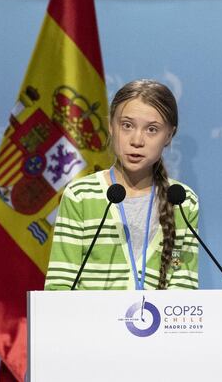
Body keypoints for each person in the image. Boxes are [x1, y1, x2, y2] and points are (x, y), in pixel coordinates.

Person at [45, 79, 199, 290]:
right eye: (127, 125)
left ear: (169, 135)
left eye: (152, 129)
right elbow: (60, 286)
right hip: (91, 322)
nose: (137, 140)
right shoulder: (80, 195)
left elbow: (183, 289)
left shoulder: (182, 200)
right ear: (111, 127)